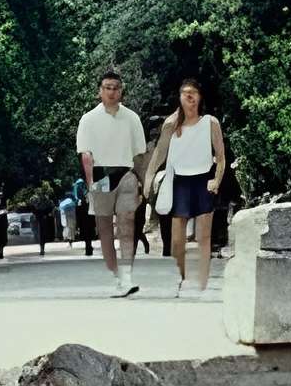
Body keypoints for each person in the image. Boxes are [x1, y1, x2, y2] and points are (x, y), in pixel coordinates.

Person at [147, 80, 228, 296]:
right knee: (177, 239)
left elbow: (220, 158)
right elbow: (159, 155)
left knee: (203, 237)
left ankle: (204, 282)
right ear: (179, 98)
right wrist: (148, 180)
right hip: (179, 182)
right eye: (184, 94)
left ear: (200, 97)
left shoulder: (210, 122)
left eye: (193, 93)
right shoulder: (171, 125)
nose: (189, 97)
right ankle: (179, 279)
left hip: (203, 181)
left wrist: (216, 181)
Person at [76, 69, 147, 297]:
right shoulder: (88, 120)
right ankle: (117, 275)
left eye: (116, 88)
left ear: (121, 91)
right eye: (107, 87)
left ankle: (127, 276)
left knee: (127, 226)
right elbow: (86, 156)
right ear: (100, 91)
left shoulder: (132, 118)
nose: (112, 92)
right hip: (100, 175)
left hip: (126, 174)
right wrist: (90, 186)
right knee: (105, 228)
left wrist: (143, 182)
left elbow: (139, 155)